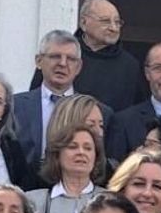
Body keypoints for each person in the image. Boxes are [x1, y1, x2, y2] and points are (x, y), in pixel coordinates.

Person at [26, 0, 144, 114]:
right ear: (83, 22)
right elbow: (34, 101)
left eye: (117, 22)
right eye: (105, 21)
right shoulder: (61, 54)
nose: (113, 28)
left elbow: (136, 112)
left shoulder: (130, 65)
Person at [12, 30, 111, 165]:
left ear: (78, 67)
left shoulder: (99, 112)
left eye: (70, 59)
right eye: (55, 56)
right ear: (39, 61)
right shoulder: (14, 106)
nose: (62, 64)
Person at [26, 119, 102, 213]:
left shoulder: (109, 199)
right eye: (73, 147)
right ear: (57, 154)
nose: (81, 152)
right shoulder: (33, 201)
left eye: (88, 148)